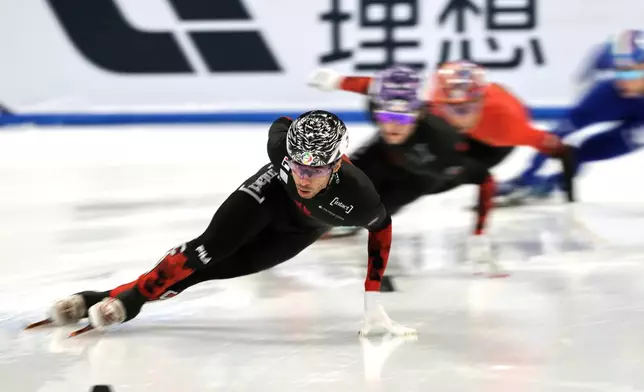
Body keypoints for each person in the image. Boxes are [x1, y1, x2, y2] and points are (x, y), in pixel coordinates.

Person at [28, 110, 416, 337]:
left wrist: (372, 300)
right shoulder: (282, 150)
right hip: (266, 197)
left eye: (314, 169)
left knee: (203, 274)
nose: (302, 175)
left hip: (299, 232)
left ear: (336, 164)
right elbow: (282, 124)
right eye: (297, 164)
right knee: (203, 251)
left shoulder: (358, 195)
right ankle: (128, 304)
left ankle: (96, 298)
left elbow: (381, 229)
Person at [308, 65, 503, 275]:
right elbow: (371, 86)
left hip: (421, 177)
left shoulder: (441, 143)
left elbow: (485, 179)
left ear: (419, 114)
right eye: (385, 116)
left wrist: (479, 234)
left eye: (402, 118)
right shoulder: (381, 108)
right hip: (386, 153)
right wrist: (338, 81)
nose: (393, 126)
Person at [497, 29, 644, 202]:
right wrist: (526, 176)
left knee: (598, 148)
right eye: (617, 70)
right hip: (612, 100)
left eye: (629, 71)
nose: (621, 78)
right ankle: (531, 182)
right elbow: (555, 136)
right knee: (566, 143)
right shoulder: (608, 90)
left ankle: (555, 182)